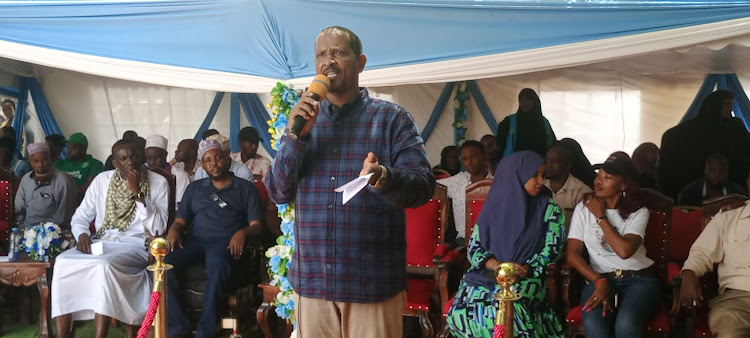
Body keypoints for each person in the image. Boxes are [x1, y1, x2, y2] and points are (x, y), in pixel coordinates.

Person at [265, 26, 435, 337]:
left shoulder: (392, 119)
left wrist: (383, 177)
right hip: (314, 284)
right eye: (321, 55)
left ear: (361, 62)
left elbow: (423, 187)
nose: (328, 61)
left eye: (338, 52)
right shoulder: (300, 121)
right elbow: (278, 191)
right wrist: (294, 137)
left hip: (371, 284)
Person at [51, 139, 168, 338]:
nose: (130, 161)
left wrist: (137, 193)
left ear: (140, 157)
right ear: (115, 163)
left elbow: (158, 228)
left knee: (102, 265)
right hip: (102, 240)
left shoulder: (158, 182)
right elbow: (80, 216)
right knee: (62, 262)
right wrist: (82, 235)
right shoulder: (102, 180)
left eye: (134, 156)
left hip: (136, 244)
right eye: (124, 158)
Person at [446, 150, 565, 337]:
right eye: (535, 175)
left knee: (508, 307)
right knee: (466, 311)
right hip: (488, 274)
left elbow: (552, 250)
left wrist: (527, 267)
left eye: (543, 175)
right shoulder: (493, 207)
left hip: (527, 277)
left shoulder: (549, 209)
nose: (541, 181)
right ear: (515, 176)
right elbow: (475, 248)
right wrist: (496, 265)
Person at [165, 140, 264, 337]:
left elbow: (258, 226)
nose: (214, 163)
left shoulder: (245, 188)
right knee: (165, 264)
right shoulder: (195, 189)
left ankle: (206, 331)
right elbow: (180, 221)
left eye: (218, 157)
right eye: (208, 160)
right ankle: (178, 329)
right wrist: (174, 230)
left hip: (226, 242)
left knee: (217, 266)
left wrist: (242, 233)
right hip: (196, 241)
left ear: (227, 159)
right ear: (203, 165)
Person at [566, 153, 661, 338]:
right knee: (594, 326)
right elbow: (572, 254)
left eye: (607, 178)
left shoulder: (638, 212)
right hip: (599, 278)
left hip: (638, 280)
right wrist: (599, 281)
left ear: (624, 184)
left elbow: (624, 251)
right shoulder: (584, 208)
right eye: (598, 176)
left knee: (626, 325)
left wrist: (600, 216)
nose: (598, 182)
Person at [659, 90, 750, 200]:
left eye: (731, 104)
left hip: (729, 188)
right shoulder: (693, 129)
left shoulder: (734, 126)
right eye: (726, 104)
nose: (730, 109)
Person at [679, 201, 750, 337]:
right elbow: (701, 253)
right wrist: (689, 273)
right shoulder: (729, 216)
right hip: (736, 301)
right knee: (730, 332)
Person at [437, 140, 493, 243]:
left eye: (473, 156)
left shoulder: (496, 183)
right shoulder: (458, 181)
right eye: (465, 158)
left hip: (490, 240)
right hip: (463, 241)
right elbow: (432, 186)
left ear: (484, 156)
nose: (469, 162)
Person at [15, 142, 76, 229]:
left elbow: (63, 216)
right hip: (26, 228)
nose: (40, 165)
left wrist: (44, 231)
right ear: (30, 162)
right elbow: (19, 207)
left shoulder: (62, 181)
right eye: (36, 161)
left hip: (51, 231)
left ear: (50, 159)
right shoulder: (26, 179)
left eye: (45, 160)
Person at [544, 144, 592, 235]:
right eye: (547, 161)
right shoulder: (540, 186)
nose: (548, 166)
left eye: (555, 161)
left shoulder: (582, 192)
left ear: (568, 165)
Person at [496, 88, 556, 160]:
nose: (524, 103)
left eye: (528, 100)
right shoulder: (509, 121)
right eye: (522, 100)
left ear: (534, 101)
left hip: (539, 166)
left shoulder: (544, 122)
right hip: (513, 165)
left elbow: (552, 144)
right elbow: (499, 144)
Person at [677, 153, 746, 207]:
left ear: (727, 172)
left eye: (722, 170)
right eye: (712, 170)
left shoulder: (737, 194)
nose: (717, 174)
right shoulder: (689, 194)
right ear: (705, 171)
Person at [53, 132, 104, 204]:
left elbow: (91, 184)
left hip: (84, 202)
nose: (68, 151)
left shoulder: (94, 164)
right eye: (68, 147)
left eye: (73, 148)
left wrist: (70, 194)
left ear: (83, 149)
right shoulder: (58, 164)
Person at [144, 134, 190, 205]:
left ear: (165, 154)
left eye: (157, 157)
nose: (152, 162)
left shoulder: (180, 175)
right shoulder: (142, 175)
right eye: (149, 158)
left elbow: (181, 206)